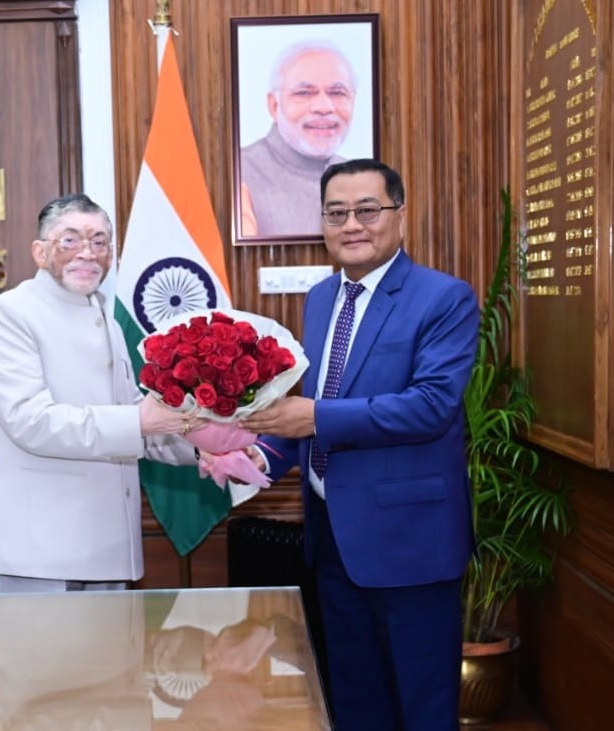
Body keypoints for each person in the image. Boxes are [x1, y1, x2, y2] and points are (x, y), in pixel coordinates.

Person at [241, 159, 479, 730]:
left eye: (368, 210)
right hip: (332, 537)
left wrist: (313, 418)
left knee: (422, 707)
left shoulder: (444, 298)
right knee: (354, 703)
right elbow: (321, 399)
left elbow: (430, 406)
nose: (352, 224)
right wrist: (259, 454)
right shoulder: (322, 298)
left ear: (401, 215)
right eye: (336, 212)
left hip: (410, 543)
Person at [0, 193, 202, 594]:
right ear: (40, 252)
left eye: (99, 241)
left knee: (114, 641)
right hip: (41, 548)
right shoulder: (7, 314)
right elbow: (32, 422)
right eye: (70, 239)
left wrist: (203, 446)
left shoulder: (104, 318)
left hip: (110, 542)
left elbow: (135, 417)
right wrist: (140, 420)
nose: (87, 253)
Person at [239, 39, 357, 238]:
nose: (324, 107)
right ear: (274, 106)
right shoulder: (238, 173)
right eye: (304, 93)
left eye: (337, 93)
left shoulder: (364, 180)